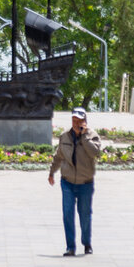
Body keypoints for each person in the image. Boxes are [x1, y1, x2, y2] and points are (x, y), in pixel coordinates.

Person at [48, 107, 103, 256]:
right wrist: (52, 172)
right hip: (67, 182)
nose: (75, 123)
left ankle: (86, 243)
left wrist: (84, 137)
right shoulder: (65, 136)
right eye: (73, 120)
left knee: (85, 215)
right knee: (67, 214)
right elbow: (59, 156)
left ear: (85, 121)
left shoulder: (92, 136)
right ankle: (70, 247)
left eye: (79, 120)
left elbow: (95, 153)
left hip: (85, 183)